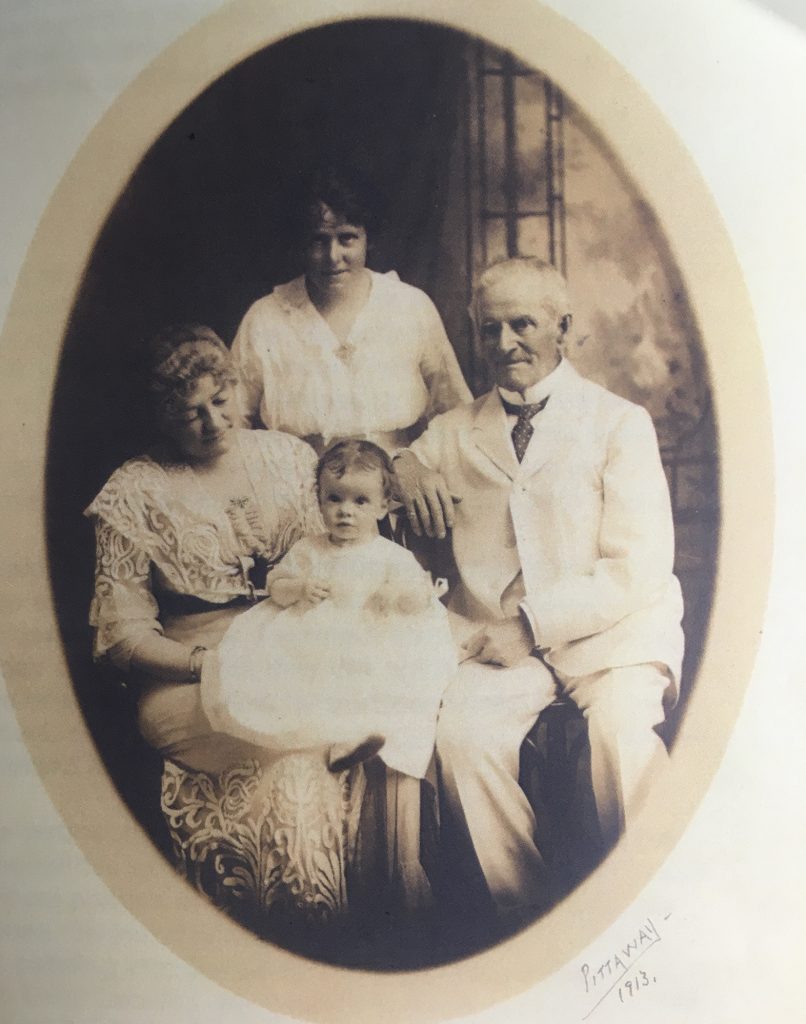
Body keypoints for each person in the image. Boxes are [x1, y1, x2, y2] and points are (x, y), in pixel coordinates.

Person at [393, 257, 685, 928]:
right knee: (461, 738)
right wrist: (405, 468)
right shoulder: (460, 428)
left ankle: (659, 909)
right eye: (488, 329)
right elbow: (391, 462)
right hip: (501, 643)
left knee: (619, 739)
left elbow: (637, 565)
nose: (503, 346)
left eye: (521, 325)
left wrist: (532, 624)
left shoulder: (617, 423)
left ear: (564, 327)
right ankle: (528, 919)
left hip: (611, 633)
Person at [84, 324, 373, 952]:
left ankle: (322, 951)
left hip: (297, 653)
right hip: (190, 676)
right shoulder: (134, 491)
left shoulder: (291, 458)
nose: (211, 421)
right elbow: (122, 633)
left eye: (219, 400)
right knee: (300, 741)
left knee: (304, 766)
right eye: (188, 412)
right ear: (160, 419)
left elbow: (347, 549)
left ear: (237, 389)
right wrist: (204, 663)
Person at [202, 440, 456, 783]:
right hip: (317, 636)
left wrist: (394, 596)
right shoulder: (309, 548)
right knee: (289, 671)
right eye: (334, 498)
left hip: (371, 635)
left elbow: (417, 597)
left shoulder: (389, 556)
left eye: (360, 501)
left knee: (379, 674)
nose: (345, 511)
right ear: (319, 502)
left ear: (382, 507)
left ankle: (354, 737)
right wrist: (300, 588)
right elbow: (277, 585)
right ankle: (315, 735)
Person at [230, 167, 471, 455]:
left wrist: (418, 465)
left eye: (347, 238)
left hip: (395, 480)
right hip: (294, 481)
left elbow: (456, 410)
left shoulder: (410, 306)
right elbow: (231, 419)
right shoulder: (265, 317)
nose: (333, 257)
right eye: (319, 240)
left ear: (368, 238)